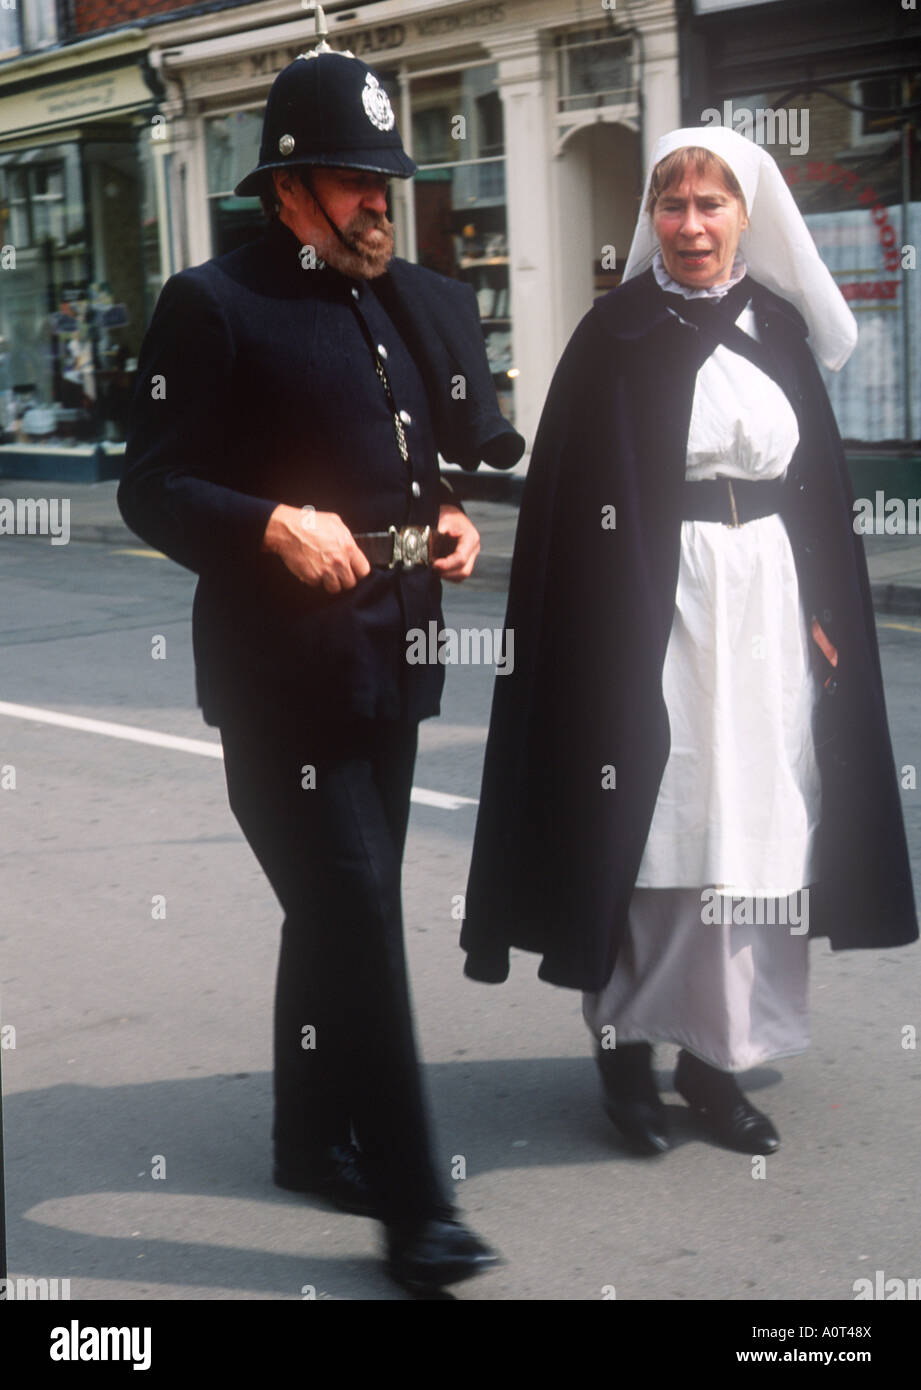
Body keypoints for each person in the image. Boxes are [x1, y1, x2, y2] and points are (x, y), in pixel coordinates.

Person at [118, 22, 523, 1293]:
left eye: (387, 181)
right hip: (279, 682)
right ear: (286, 185)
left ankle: (307, 1136)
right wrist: (267, 524)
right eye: (353, 181)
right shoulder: (215, 304)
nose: (377, 204)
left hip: (393, 660)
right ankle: (417, 1214)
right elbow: (149, 488)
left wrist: (451, 518)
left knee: (332, 916)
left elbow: (437, 460)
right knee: (359, 924)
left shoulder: (401, 298)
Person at [460, 125, 917, 1157]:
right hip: (653, 605)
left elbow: (814, 494)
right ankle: (625, 1058)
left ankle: (717, 1063)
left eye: (713, 204)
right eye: (674, 204)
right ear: (651, 218)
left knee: (756, 826)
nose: (693, 225)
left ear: (747, 214)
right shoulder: (615, 332)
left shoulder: (783, 331)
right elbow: (575, 504)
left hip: (767, 602)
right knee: (657, 827)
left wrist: (823, 606)